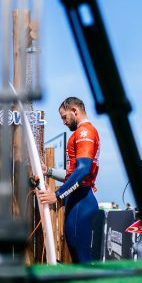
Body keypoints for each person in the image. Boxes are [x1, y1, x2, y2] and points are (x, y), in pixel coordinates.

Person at [38, 97, 100, 263]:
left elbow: (83, 170)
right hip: (78, 199)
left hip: (82, 200)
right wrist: (49, 171)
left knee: (82, 260)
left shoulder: (84, 132)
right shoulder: (81, 133)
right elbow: (73, 172)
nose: (64, 122)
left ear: (75, 111)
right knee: (78, 256)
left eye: (64, 117)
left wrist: (57, 195)